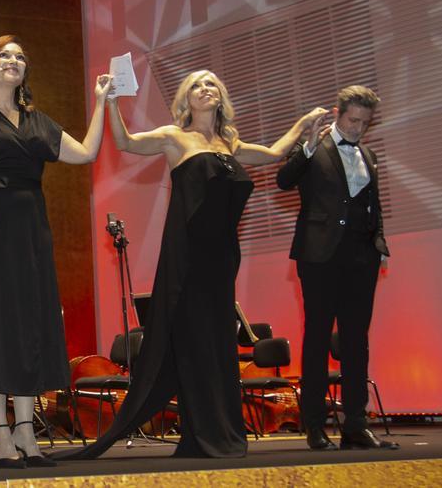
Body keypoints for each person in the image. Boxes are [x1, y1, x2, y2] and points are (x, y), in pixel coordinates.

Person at [67, 70, 328, 459]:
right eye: (196, 86)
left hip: (222, 258)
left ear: (220, 97)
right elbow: (124, 143)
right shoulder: (175, 137)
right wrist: (109, 101)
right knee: (191, 342)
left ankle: (219, 431)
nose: (205, 90)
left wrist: (303, 126)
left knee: (218, 343)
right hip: (186, 254)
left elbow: (274, 154)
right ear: (186, 100)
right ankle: (200, 433)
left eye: (211, 85)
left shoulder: (231, 142)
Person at [0, 35, 112, 468]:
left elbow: (88, 153)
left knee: (30, 325)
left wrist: (101, 103)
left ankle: (25, 429)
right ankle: (0, 431)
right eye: (4, 55)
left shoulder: (38, 122)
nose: (13, 61)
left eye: (20, 56)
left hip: (32, 232)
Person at [277, 85, 397, 451]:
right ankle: (314, 424)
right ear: (337, 112)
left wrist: (379, 240)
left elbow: (371, 204)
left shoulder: (370, 155)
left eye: (364, 122)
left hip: (362, 258)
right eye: (352, 119)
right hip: (319, 257)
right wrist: (308, 145)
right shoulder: (313, 148)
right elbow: (284, 180)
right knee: (316, 339)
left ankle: (355, 425)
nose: (358, 127)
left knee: (356, 342)